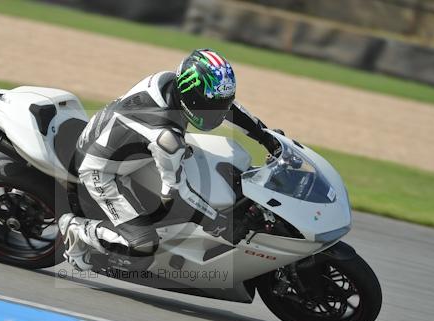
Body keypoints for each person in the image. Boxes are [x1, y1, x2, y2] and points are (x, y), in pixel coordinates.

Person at [59, 48, 281, 271]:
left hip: (117, 143)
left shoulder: (169, 81)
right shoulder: (166, 136)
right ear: (191, 97)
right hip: (99, 172)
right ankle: (78, 230)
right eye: (210, 106)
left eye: (221, 104)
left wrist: (265, 136)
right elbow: (175, 196)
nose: (218, 113)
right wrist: (218, 223)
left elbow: (230, 109)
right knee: (143, 246)